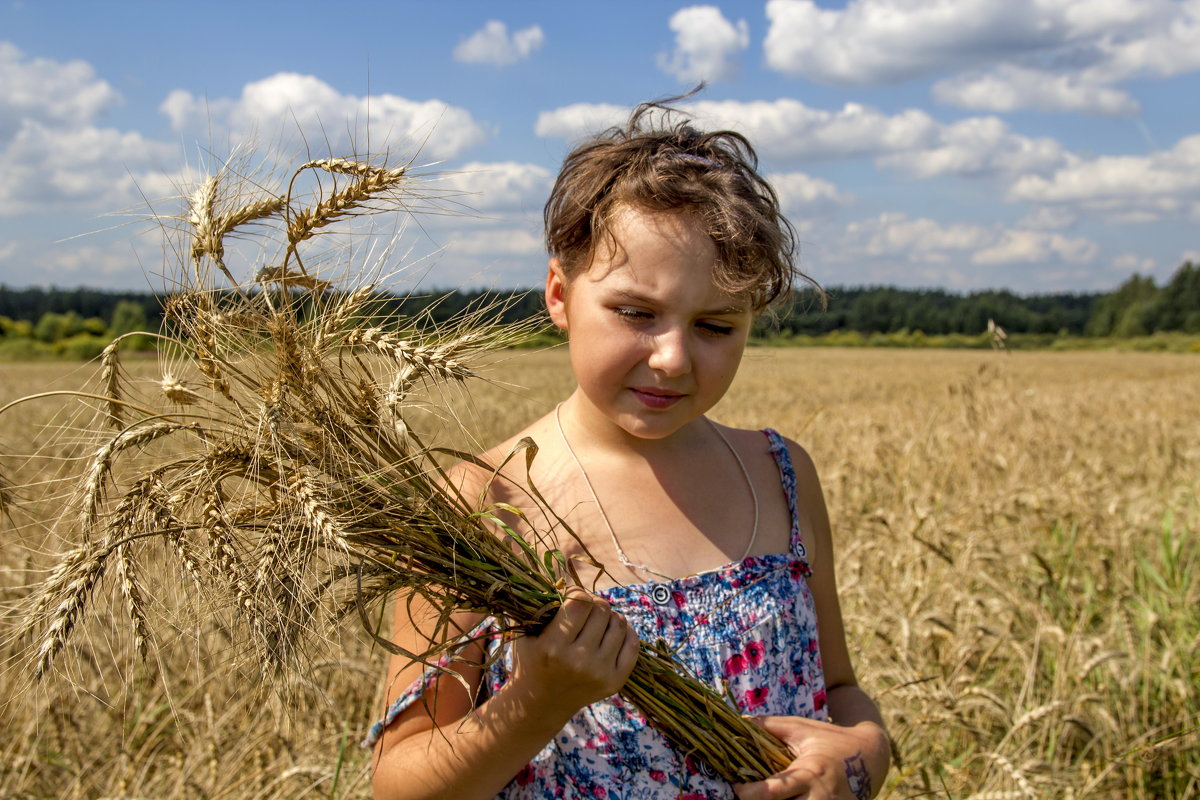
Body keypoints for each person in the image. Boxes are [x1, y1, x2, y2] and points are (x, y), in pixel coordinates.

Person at [368, 96, 890, 800]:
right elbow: (400, 785)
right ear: (559, 294)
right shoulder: (479, 505)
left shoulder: (780, 472)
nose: (674, 358)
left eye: (716, 325)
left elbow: (840, 687)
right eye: (636, 313)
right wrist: (539, 701)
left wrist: (865, 753)